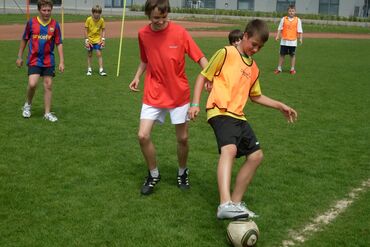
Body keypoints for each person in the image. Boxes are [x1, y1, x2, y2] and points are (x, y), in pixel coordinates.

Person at [188, 19, 298, 220]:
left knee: (256, 156)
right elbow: (203, 76)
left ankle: (236, 203)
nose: (256, 49)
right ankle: (224, 204)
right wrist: (195, 104)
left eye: (260, 47)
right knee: (229, 150)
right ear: (245, 36)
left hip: (238, 115)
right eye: (253, 44)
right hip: (219, 111)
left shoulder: (254, 68)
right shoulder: (226, 52)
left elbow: (255, 96)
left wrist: (279, 105)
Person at [129, 0, 208, 196]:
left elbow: (200, 57)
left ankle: (182, 172)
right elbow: (145, 59)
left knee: (183, 138)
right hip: (153, 92)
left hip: (178, 94)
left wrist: (210, 77)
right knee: (142, 135)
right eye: (156, 18)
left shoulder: (180, 33)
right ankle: (153, 174)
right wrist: (137, 76)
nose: (161, 21)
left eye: (164, 17)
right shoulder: (143, 35)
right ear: (148, 15)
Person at [16, 0, 64, 122]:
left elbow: (59, 43)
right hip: (34, 59)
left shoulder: (55, 24)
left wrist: (61, 61)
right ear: (39, 10)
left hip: (48, 60)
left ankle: (47, 113)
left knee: (48, 85)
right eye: (44, 10)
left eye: (49, 10)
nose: (47, 13)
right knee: (32, 84)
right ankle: (27, 105)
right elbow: (24, 39)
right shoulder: (31, 23)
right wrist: (19, 56)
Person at [274, 4, 303, 75]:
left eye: (293, 11)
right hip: (284, 41)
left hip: (293, 42)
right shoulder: (283, 19)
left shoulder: (298, 20)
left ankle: (292, 69)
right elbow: (279, 28)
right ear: (288, 11)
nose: (291, 12)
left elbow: (300, 30)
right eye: (290, 11)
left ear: (295, 12)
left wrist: (301, 38)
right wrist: (277, 36)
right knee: (282, 55)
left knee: (292, 55)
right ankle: (279, 68)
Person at [85, 5, 107, 76]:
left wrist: (103, 39)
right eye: (95, 12)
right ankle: (89, 69)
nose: (97, 14)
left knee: (99, 54)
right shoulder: (88, 19)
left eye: (98, 12)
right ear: (93, 12)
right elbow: (86, 30)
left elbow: (103, 30)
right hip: (90, 39)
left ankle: (101, 70)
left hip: (98, 39)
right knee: (90, 54)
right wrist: (87, 40)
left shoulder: (102, 20)